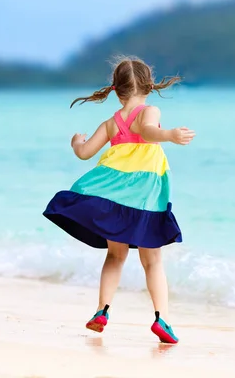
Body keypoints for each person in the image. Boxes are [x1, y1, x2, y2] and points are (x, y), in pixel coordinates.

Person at [43, 57, 195, 344]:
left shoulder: (111, 124)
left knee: (115, 255)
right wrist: (170, 136)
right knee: (152, 261)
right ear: (149, 86)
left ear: (115, 90)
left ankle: (102, 310)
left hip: (115, 198)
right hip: (145, 199)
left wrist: (76, 142)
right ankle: (161, 318)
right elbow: (148, 132)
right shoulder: (149, 111)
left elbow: (85, 153)